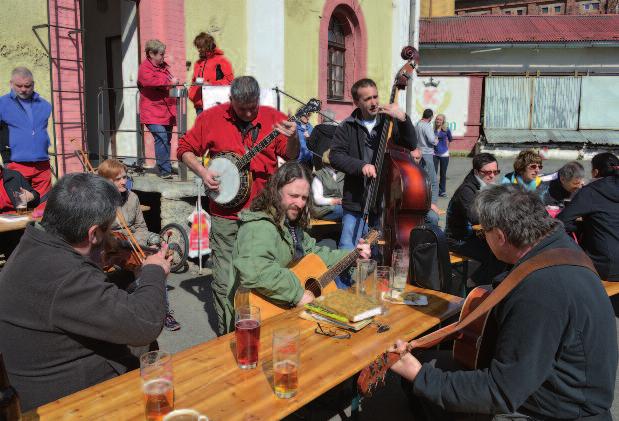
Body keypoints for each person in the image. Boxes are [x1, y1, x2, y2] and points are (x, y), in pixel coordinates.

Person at [393, 184, 617, 420]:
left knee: (424, 382)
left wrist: (419, 375)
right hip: (553, 386)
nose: (483, 238)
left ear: (500, 236)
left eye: (483, 233)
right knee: (430, 363)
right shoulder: (560, 248)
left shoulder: (540, 290)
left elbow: (501, 392)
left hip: (559, 410)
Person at [0, 173, 172, 411]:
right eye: (107, 230)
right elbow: (145, 322)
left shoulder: (34, 244)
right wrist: (153, 271)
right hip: (70, 402)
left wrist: (114, 263)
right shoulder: (65, 277)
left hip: (52, 378)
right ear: (92, 234)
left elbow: (88, 293)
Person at [178, 75, 300, 335]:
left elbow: (291, 155)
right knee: (225, 280)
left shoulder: (272, 117)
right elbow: (184, 148)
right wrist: (201, 171)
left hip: (263, 216)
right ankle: (227, 337)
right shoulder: (211, 118)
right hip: (226, 216)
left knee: (265, 274)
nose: (247, 113)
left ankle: (265, 331)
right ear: (230, 100)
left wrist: (292, 136)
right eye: (241, 107)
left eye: (252, 107)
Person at [232, 162, 370, 308]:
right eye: (293, 195)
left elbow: (315, 254)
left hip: (284, 306)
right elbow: (258, 271)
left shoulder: (289, 223)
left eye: (304, 198)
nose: (299, 203)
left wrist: (352, 255)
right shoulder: (259, 226)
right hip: (257, 313)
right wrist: (298, 294)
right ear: (276, 191)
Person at [329, 78, 417, 257]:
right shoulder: (347, 126)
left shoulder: (389, 122)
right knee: (348, 249)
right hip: (356, 200)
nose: (374, 102)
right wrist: (361, 166)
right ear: (357, 102)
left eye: (375, 96)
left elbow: (411, 143)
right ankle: (343, 284)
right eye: (367, 99)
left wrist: (403, 118)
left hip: (385, 201)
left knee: (379, 253)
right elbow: (335, 156)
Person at [97, 159, 180, 331]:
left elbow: (141, 227)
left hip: (132, 241)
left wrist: (136, 241)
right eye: (117, 179)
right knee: (141, 267)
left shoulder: (132, 197)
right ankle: (142, 307)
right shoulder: (100, 202)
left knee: (154, 263)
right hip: (110, 244)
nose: (123, 181)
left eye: (124, 177)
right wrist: (115, 241)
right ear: (106, 181)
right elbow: (98, 231)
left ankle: (162, 311)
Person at [445, 153, 506, 286]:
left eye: (496, 172)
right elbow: (475, 218)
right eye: (487, 172)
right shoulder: (466, 190)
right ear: (476, 172)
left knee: (507, 249)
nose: (492, 176)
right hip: (458, 239)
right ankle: (473, 284)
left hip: (475, 235)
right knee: (499, 254)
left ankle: (489, 284)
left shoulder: (486, 185)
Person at [558, 152, 619, 282]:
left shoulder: (591, 191)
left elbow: (561, 221)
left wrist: (582, 226)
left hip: (607, 266)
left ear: (595, 172)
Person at [0, 67, 52, 199]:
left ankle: (40, 219)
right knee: (20, 205)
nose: (23, 89)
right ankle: (24, 220)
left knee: (43, 203)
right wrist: (6, 159)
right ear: (11, 84)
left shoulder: (43, 104)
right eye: (19, 85)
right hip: (16, 163)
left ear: (33, 84)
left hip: (42, 165)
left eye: (27, 86)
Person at [138, 39, 179, 179]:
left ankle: (165, 166)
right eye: (161, 54)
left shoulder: (163, 67)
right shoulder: (145, 68)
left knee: (166, 139)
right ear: (151, 54)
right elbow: (148, 81)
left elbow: (169, 80)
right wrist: (169, 82)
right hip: (151, 111)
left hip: (165, 110)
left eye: (163, 54)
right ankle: (164, 170)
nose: (163, 56)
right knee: (161, 137)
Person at [187, 32, 234, 116]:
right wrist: (191, 93)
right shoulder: (198, 63)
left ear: (207, 46)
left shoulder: (221, 61)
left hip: (215, 103)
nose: (198, 49)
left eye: (200, 47)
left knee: (215, 128)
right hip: (200, 105)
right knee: (202, 129)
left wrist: (210, 84)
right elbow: (194, 81)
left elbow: (230, 81)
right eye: (198, 47)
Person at [311, 149, 344, 221]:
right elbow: (317, 199)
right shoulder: (319, 176)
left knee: (353, 212)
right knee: (345, 212)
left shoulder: (341, 174)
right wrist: (334, 201)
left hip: (341, 207)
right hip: (323, 209)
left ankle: (366, 231)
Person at [411, 147, 441, 226]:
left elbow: (434, 184)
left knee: (433, 218)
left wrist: (433, 203)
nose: (414, 160)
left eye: (417, 158)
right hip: (410, 203)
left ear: (421, 157)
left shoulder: (428, 165)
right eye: (412, 158)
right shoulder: (405, 165)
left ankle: (429, 237)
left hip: (427, 203)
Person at [415, 109, 439, 208]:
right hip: (427, 154)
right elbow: (432, 140)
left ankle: (420, 201)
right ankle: (433, 204)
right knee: (433, 181)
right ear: (430, 117)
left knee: (421, 179)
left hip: (418, 153)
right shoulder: (426, 126)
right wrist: (436, 140)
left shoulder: (417, 124)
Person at [432, 114, 452, 197]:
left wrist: (448, 149)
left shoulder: (446, 130)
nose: (438, 121)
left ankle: (442, 191)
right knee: (433, 173)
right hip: (434, 154)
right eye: (437, 119)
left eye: (440, 119)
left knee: (443, 174)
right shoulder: (432, 130)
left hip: (444, 154)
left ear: (443, 121)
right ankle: (433, 191)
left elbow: (450, 139)